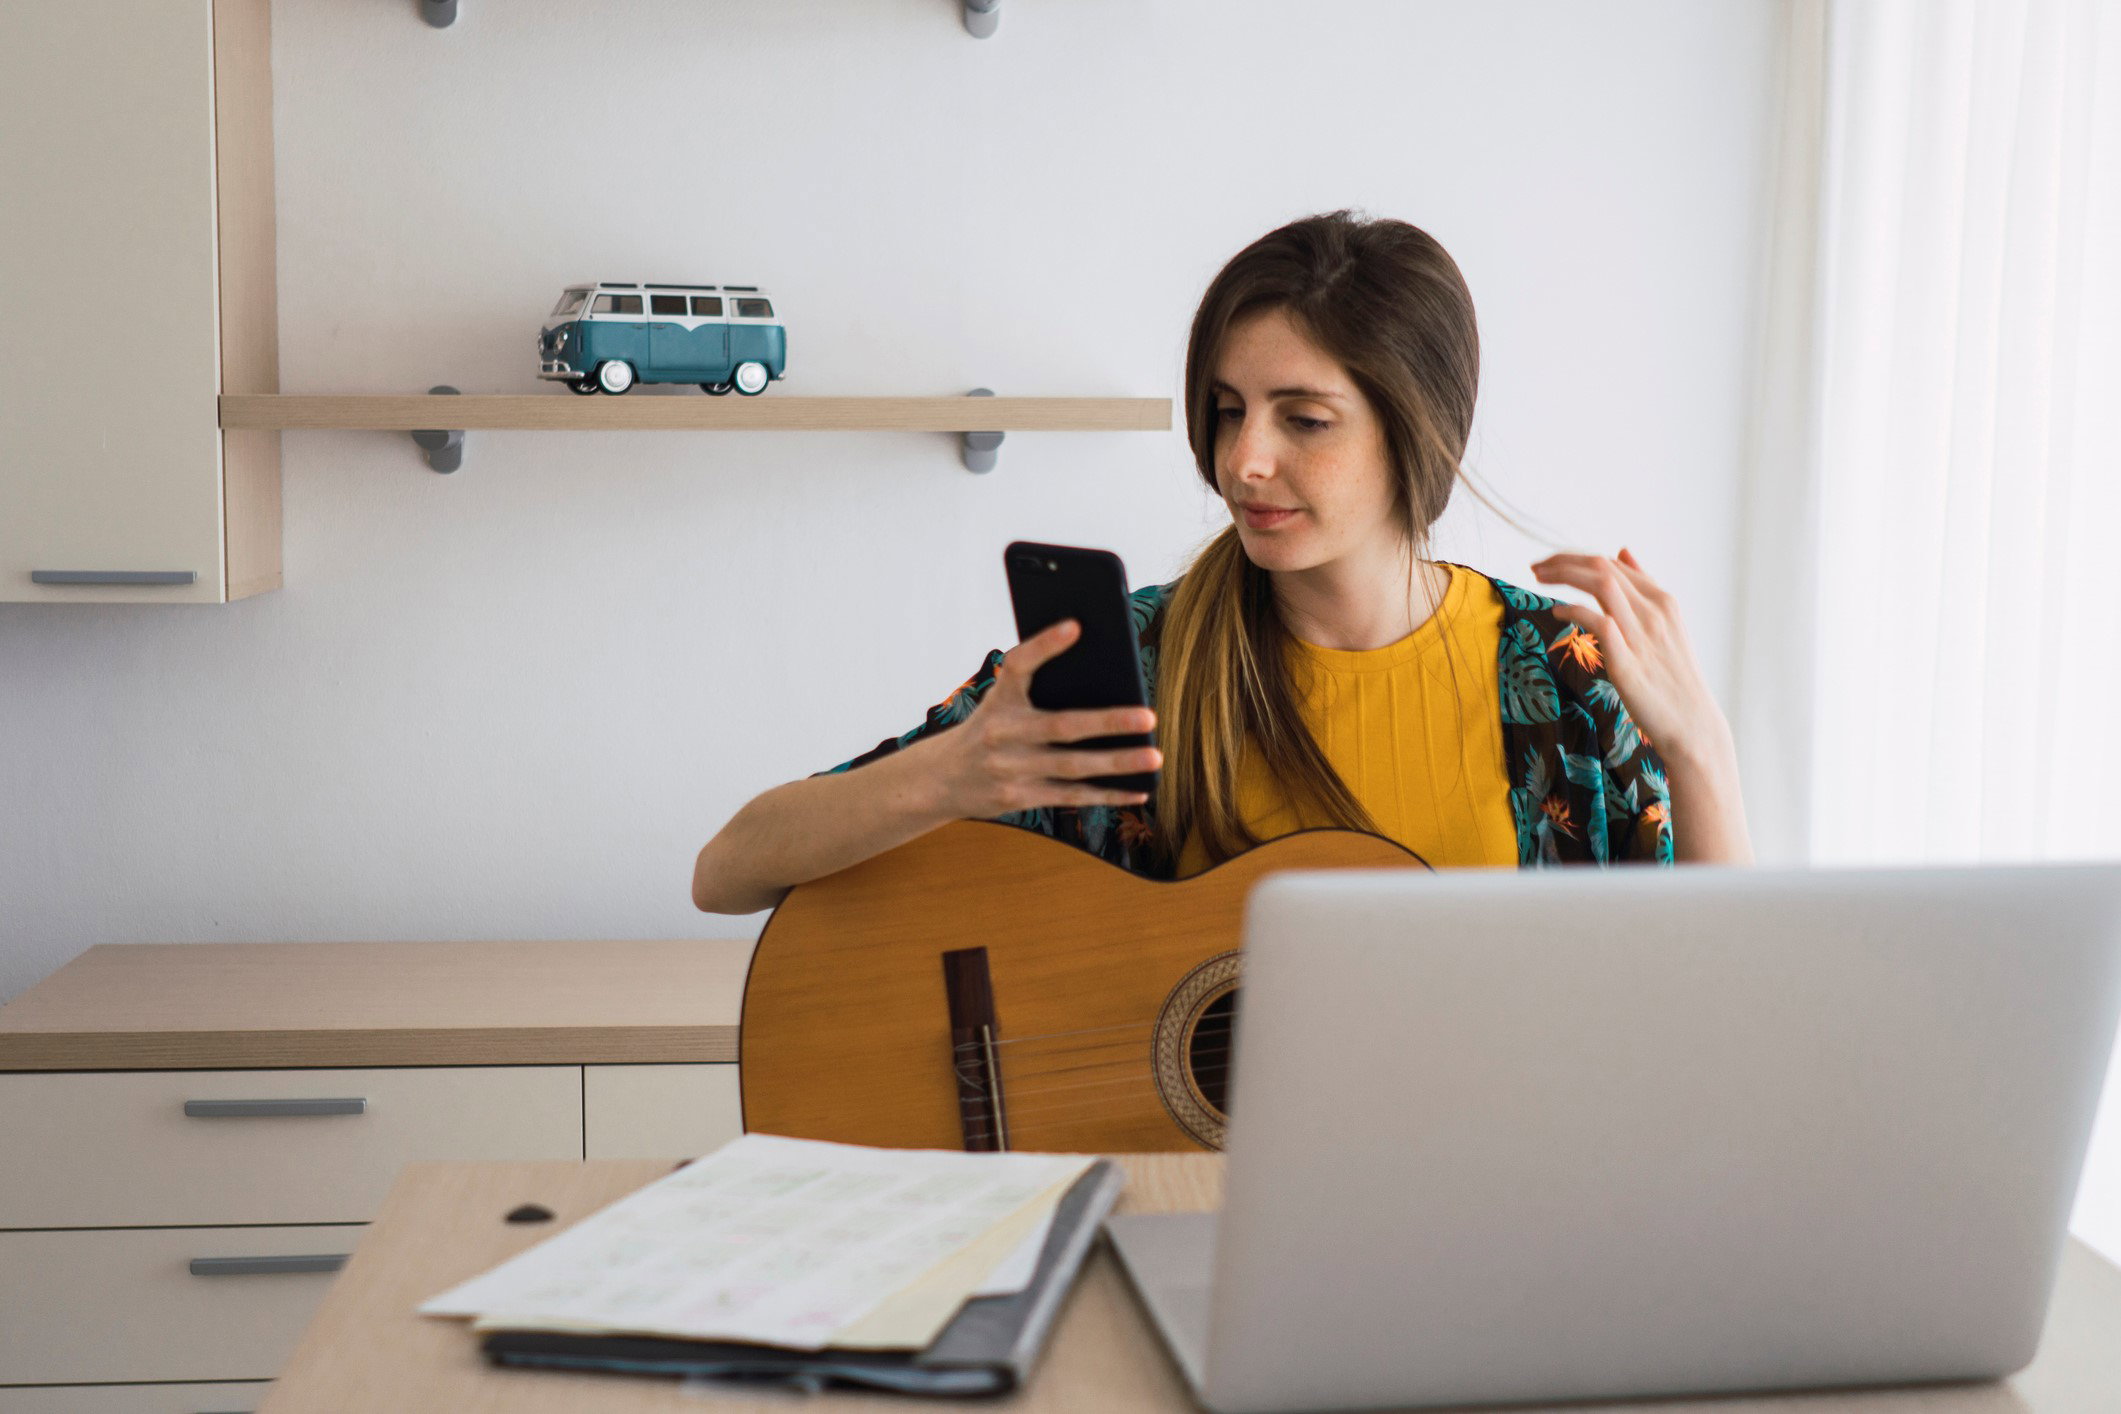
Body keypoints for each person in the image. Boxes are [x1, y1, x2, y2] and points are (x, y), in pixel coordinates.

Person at [692, 210, 1752, 916]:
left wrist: (1701, 751)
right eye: (1228, 408)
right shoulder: (1135, 660)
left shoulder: (1557, 673)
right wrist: (953, 773)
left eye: (1304, 419)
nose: (1243, 460)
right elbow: (728, 870)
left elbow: (1710, 1007)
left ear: (1417, 431)